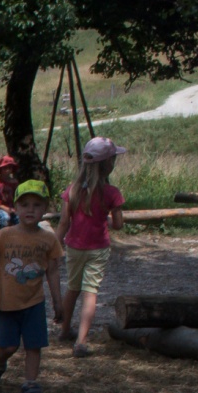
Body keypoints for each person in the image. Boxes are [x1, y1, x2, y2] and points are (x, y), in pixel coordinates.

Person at [0, 181, 65, 393]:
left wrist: (58, 301)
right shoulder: (5, 235)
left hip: (34, 302)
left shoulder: (48, 239)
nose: (30, 210)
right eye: (25, 204)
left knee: (34, 345)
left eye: (37, 205)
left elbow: (53, 271)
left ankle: (30, 382)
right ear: (15, 208)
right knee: (8, 347)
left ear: (45, 208)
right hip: (6, 302)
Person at [56, 137, 126, 358]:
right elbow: (118, 224)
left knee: (72, 289)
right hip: (98, 248)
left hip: (74, 247)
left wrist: (55, 245)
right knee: (90, 292)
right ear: (108, 164)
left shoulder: (72, 190)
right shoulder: (112, 193)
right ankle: (81, 342)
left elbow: (64, 222)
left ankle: (65, 330)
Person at [0, 154, 21, 224]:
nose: (7, 170)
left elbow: (18, 197)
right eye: (5, 168)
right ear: (1, 169)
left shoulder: (15, 182)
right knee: (5, 217)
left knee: (19, 217)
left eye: (10, 168)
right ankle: (2, 234)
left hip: (12, 207)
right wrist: (4, 208)